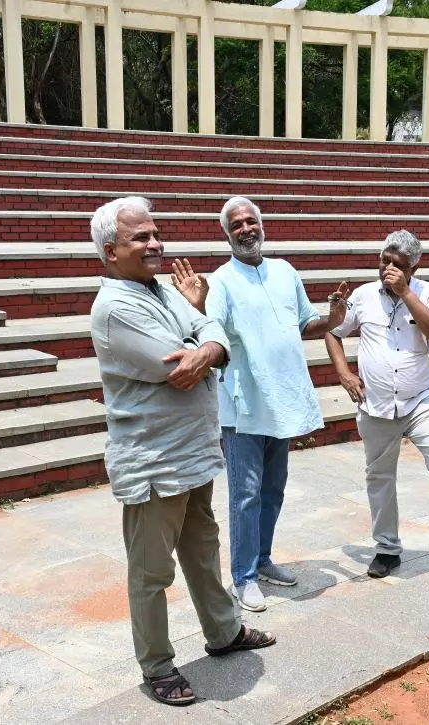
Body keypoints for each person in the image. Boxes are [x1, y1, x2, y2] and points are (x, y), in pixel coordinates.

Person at [89, 196, 275, 708]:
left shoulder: (158, 289)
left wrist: (204, 337)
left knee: (201, 548)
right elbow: (177, 364)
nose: (156, 244)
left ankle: (223, 631)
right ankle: (157, 665)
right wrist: (199, 333)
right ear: (110, 251)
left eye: (155, 233)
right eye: (140, 238)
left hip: (191, 452)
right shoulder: (116, 307)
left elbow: (208, 329)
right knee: (151, 571)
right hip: (153, 461)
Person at [169, 196, 348, 612]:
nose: (246, 228)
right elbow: (205, 327)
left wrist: (333, 320)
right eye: (236, 225)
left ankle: (263, 560)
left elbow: (306, 324)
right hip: (244, 405)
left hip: (281, 401)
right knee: (245, 494)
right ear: (227, 234)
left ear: (261, 225)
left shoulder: (284, 271)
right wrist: (196, 305)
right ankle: (243, 576)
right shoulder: (222, 280)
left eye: (251, 221)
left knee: (272, 490)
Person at [325, 230, 429, 579]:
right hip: (375, 405)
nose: (388, 268)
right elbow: (333, 331)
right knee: (380, 475)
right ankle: (387, 548)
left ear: (414, 267)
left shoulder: (428, 292)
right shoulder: (362, 295)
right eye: (384, 261)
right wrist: (344, 373)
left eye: (398, 265)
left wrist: (405, 293)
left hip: (421, 399)